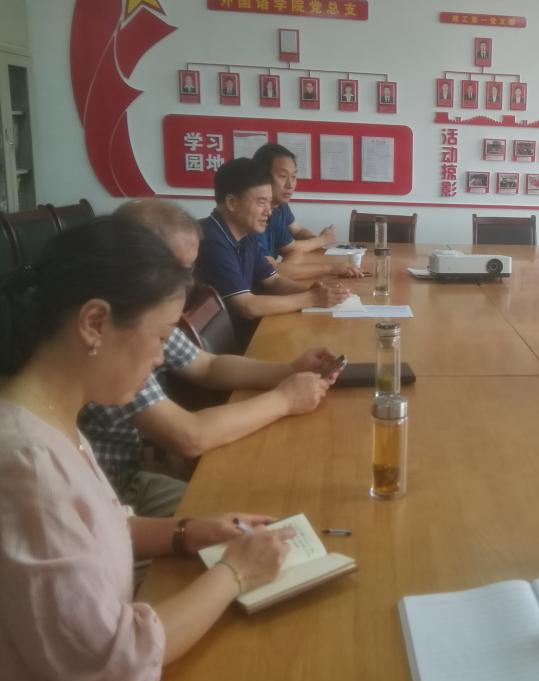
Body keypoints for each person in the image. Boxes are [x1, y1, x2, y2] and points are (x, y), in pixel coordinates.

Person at [0, 217, 295, 681]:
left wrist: (187, 532)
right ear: (94, 323)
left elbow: (95, 527)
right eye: (159, 338)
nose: (161, 359)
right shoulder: (26, 464)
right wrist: (235, 572)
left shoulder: (51, 417)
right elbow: (117, 662)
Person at [78, 199, 340, 517]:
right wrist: (285, 399)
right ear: (133, 257)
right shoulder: (115, 332)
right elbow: (189, 436)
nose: (188, 283)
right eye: (176, 269)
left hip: (130, 480)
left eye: (189, 269)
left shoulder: (142, 310)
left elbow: (208, 366)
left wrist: (288, 370)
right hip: (111, 497)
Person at [194, 158, 349, 335]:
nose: (268, 211)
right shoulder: (211, 240)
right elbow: (247, 306)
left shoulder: (246, 236)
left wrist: (319, 292)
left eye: (269, 202)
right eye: (261, 202)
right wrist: (311, 298)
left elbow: (273, 281)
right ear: (232, 203)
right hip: (232, 343)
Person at [251, 143, 365, 282]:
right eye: (283, 176)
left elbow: (296, 237)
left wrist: (319, 243)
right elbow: (275, 267)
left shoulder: (277, 208)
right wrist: (323, 245)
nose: (290, 185)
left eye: (294, 176)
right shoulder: (253, 216)